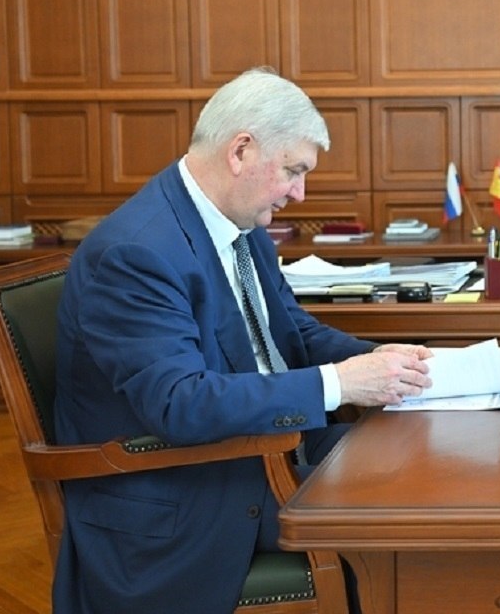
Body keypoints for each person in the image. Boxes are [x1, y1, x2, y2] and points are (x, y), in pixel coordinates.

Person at [53, 67, 434, 613]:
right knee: (408, 535)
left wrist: (381, 362)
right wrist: (340, 383)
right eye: (294, 171)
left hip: (266, 449)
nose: (299, 193)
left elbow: (294, 334)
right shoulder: (135, 254)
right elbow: (179, 403)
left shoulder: (241, 229)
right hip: (187, 497)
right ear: (241, 151)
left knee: (425, 467)